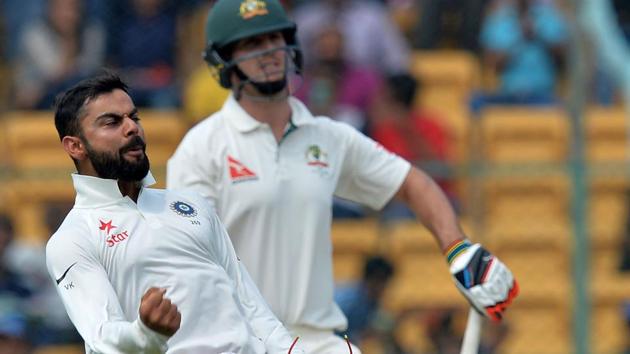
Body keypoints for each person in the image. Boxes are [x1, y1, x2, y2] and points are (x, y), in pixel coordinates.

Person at [167, 0, 519, 352]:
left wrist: (458, 249)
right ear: (222, 61)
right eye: (251, 44)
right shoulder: (202, 148)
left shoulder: (327, 136)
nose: (269, 52)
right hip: (239, 339)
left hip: (318, 340)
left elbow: (414, 183)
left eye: (274, 39)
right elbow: (190, 260)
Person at [46, 72, 303, 353]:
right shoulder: (73, 238)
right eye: (112, 122)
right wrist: (146, 333)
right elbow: (101, 335)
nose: (132, 128)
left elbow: (250, 304)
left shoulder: (192, 203)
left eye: (134, 117)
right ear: (75, 145)